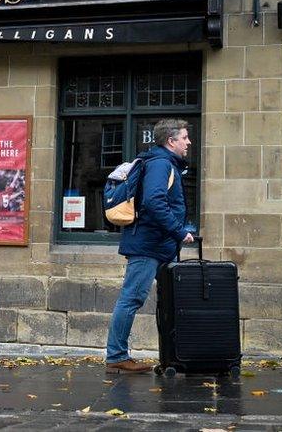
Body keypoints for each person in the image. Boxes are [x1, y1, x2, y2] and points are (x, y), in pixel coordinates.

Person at [105, 118, 194, 374]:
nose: (188, 142)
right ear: (171, 141)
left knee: (169, 301)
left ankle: (174, 355)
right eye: (184, 138)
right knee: (131, 298)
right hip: (148, 245)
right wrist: (179, 231)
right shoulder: (161, 165)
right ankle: (116, 357)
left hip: (159, 245)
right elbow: (154, 203)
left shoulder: (165, 164)